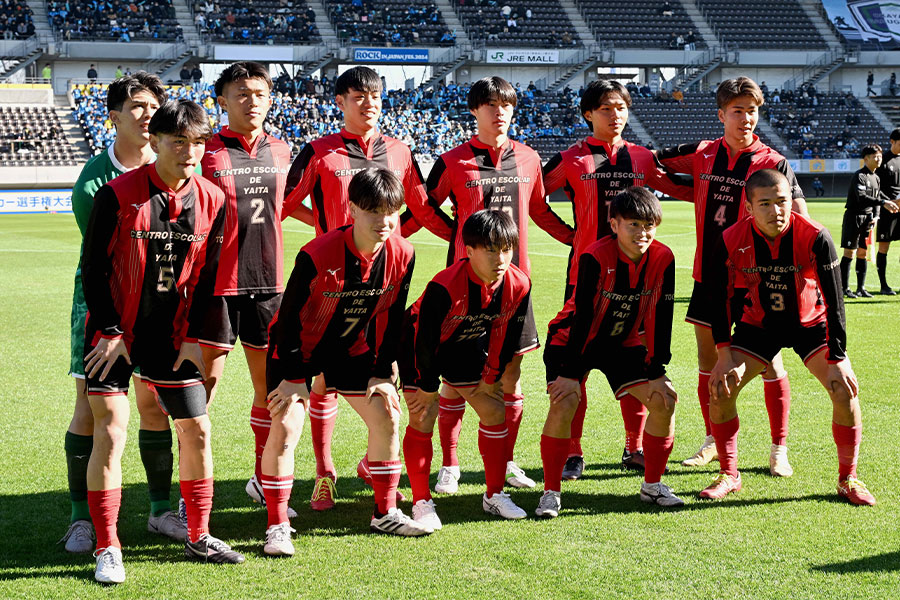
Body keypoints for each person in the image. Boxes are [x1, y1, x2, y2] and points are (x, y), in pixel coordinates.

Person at [80, 99, 244, 584]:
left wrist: (196, 338)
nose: (190, 152)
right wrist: (110, 330)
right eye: (179, 142)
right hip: (113, 335)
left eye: (198, 143)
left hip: (173, 337)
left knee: (197, 429)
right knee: (111, 430)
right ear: (154, 142)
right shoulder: (118, 194)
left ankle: (199, 534)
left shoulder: (214, 199)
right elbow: (93, 268)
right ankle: (108, 547)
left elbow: (212, 277)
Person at [282, 66, 441, 512]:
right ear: (340, 102)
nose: (368, 103)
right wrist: (323, 229)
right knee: (321, 382)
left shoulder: (401, 151)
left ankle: (375, 467)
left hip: (380, 284)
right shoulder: (319, 152)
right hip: (331, 282)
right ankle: (324, 473)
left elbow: (421, 209)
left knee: (383, 379)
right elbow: (284, 203)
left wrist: (459, 240)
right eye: (358, 96)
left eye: (375, 96)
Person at [410, 76, 574, 495]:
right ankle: (450, 463)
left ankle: (506, 459)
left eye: (506, 105)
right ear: (474, 110)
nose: (499, 112)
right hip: (463, 287)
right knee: (453, 379)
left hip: (515, 286)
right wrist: (456, 235)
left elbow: (539, 210)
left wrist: (577, 238)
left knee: (510, 375)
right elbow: (425, 207)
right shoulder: (452, 160)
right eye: (489, 105)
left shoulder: (529, 158)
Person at [261, 168, 428, 556]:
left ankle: (384, 513)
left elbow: (394, 316)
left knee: (387, 415)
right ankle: (277, 525)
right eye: (373, 211)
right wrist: (293, 376)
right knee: (286, 426)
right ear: (351, 208)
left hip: (351, 350)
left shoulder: (403, 254)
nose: (384, 221)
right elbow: (288, 318)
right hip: (296, 351)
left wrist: (382, 372)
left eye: (392, 211)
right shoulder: (317, 253)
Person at [60, 72, 187, 556]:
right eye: (136, 106)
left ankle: (159, 510)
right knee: (91, 411)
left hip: (159, 303)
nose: (146, 114)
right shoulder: (95, 180)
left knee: (154, 406)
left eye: (153, 105)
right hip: (103, 306)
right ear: (114, 116)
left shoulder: (174, 162)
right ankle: (81, 519)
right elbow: (102, 260)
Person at [541, 79, 692, 479]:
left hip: (635, 282)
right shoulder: (570, 159)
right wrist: (570, 237)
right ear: (588, 114)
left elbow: (676, 187)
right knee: (577, 363)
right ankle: (573, 452)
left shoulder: (642, 157)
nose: (615, 115)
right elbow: (534, 198)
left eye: (621, 108)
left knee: (635, 357)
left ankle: (634, 446)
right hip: (585, 278)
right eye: (606, 108)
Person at [658, 77, 807, 476]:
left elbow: (799, 215)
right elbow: (654, 162)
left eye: (752, 111)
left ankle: (779, 448)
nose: (745, 119)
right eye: (737, 111)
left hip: (755, 281)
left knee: (770, 362)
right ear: (721, 115)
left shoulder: (773, 161)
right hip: (709, 277)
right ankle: (713, 439)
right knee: (709, 360)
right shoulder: (703, 153)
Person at [705, 168, 876, 506]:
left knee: (844, 389)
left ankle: (848, 478)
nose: (776, 211)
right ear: (749, 208)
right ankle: (729, 473)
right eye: (765, 204)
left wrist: (838, 357)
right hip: (758, 327)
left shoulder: (815, 236)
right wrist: (723, 354)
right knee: (721, 388)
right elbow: (719, 300)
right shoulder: (729, 239)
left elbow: (836, 302)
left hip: (810, 325)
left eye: (782, 201)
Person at [537, 187, 682, 518]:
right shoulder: (595, 256)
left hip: (622, 343)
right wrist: (570, 373)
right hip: (573, 341)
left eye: (649, 225)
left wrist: (658, 369)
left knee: (664, 400)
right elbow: (583, 317)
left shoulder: (664, 257)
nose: (642, 233)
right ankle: (550, 492)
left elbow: (662, 315)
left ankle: (652, 486)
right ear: (614, 225)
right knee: (565, 401)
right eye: (633, 225)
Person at [198, 62, 296, 517]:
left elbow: (289, 204)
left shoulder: (283, 149)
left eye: (259, 93)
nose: (251, 101)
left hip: (269, 284)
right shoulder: (207, 150)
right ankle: (190, 496)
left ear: (270, 99)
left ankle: (261, 479)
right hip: (215, 286)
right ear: (222, 101)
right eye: (240, 93)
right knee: (200, 395)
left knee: (269, 391)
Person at [400, 210, 533, 526]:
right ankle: (422, 502)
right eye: (490, 250)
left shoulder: (518, 283)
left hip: (464, 344)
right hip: (416, 345)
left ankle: (494, 496)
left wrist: (491, 376)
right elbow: (424, 340)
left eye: (506, 249)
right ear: (469, 250)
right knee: (423, 414)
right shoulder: (445, 286)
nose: (500, 259)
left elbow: (506, 334)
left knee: (495, 410)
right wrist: (427, 387)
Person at [839, 145, 899, 298]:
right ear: (866, 159)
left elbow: (876, 198)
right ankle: (844, 288)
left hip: (867, 219)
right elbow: (862, 197)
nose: (878, 159)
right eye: (875, 157)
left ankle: (861, 288)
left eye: (880, 156)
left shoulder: (876, 177)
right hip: (854, 217)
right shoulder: (859, 176)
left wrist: (876, 216)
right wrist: (884, 202)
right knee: (849, 252)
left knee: (862, 252)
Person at [875, 129, 900, 294]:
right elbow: (875, 187)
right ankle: (884, 285)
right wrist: (887, 202)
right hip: (887, 210)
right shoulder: (882, 161)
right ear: (892, 141)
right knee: (884, 247)